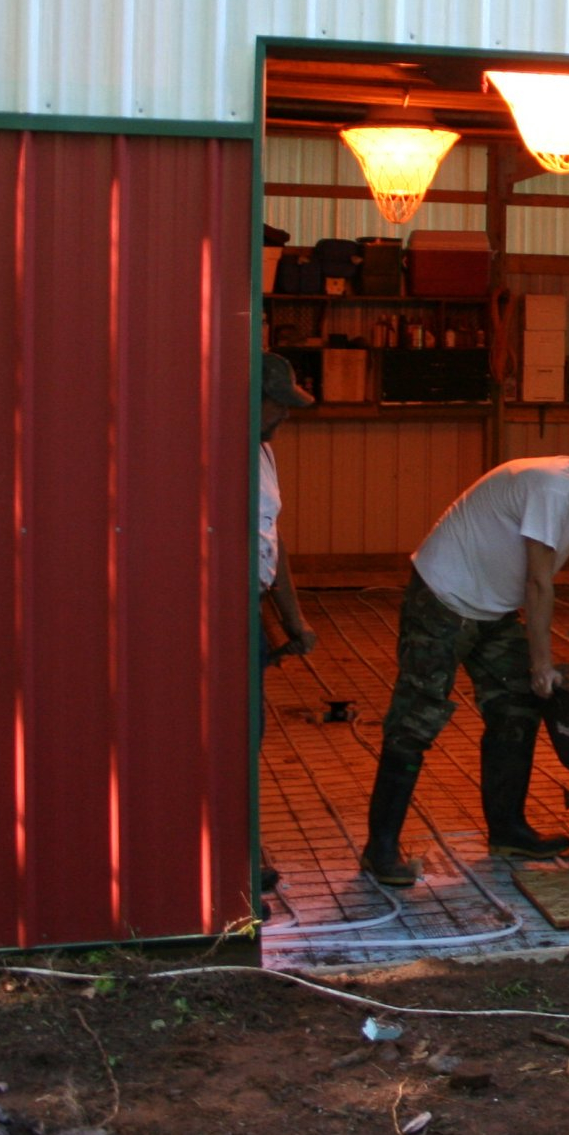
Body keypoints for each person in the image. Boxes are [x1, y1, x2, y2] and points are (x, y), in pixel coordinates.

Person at [359, 411, 569, 887]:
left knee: (517, 706)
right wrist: (541, 662)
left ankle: (507, 830)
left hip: (492, 608)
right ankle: (379, 847)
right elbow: (539, 583)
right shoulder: (552, 487)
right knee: (416, 718)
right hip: (443, 597)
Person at [258, 352, 317, 895]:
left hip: (252, 600)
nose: (287, 416)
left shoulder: (265, 452)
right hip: (227, 607)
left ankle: (243, 842)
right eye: (281, 405)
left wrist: (292, 617)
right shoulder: (219, 451)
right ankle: (239, 850)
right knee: (236, 728)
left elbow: (274, 538)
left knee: (249, 729)